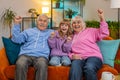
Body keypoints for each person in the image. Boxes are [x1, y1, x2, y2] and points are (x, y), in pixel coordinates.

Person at [69, 9, 109, 80]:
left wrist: (102, 18)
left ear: (83, 24)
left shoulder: (90, 31)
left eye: (79, 22)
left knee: (89, 67)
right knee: (75, 67)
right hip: (79, 58)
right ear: (72, 25)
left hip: (93, 57)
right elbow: (66, 50)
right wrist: (72, 56)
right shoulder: (71, 36)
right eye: (74, 23)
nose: (76, 24)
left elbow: (104, 33)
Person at [11, 14, 54, 80]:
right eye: (40, 20)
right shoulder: (28, 31)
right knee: (20, 63)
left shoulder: (51, 32)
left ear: (47, 23)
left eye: (45, 21)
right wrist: (17, 24)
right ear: (36, 22)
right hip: (26, 55)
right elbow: (16, 39)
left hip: (42, 56)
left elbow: (63, 36)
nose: (42, 23)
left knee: (42, 64)